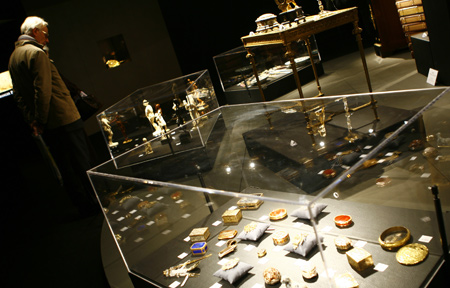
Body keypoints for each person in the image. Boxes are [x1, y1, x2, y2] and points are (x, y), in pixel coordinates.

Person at [8, 16, 99, 217]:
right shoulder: (36, 53)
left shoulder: (14, 57)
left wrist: (33, 119)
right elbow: (43, 90)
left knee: (66, 167)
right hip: (63, 118)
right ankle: (96, 203)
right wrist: (39, 118)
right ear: (35, 32)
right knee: (82, 163)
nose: (47, 40)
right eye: (45, 35)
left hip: (48, 125)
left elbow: (19, 95)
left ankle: (82, 205)